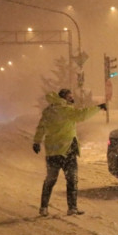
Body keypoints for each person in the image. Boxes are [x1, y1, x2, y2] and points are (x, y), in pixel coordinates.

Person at [33, 89, 107, 217]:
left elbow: (41, 127)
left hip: (52, 152)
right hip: (67, 150)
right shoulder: (65, 110)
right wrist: (98, 107)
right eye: (70, 96)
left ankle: (43, 207)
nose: (72, 98)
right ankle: (72, 208)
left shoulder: (48, 111)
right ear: (63, 98)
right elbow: (82, 115)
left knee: (50, 180)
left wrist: (37, 141)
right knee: (71, 179)